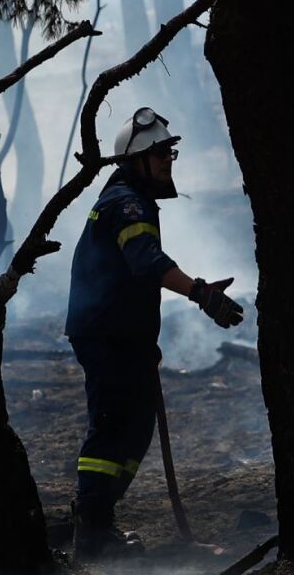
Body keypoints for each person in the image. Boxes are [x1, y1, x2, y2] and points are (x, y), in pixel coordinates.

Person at [65, 107, 245, 559]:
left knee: (136, 427)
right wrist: (201, 293)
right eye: (159, 153)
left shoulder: (129, 199)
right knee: (111, 426)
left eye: (170, 152)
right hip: (106, 336)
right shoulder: (126, 203)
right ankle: (91, 530)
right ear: (136, 160)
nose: (168, 161)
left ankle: (98, 519)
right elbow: (144, 261)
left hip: (121, 335)